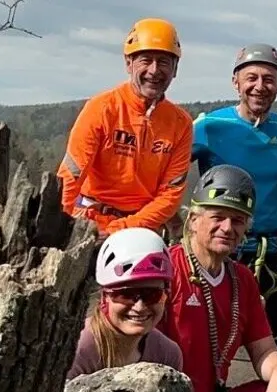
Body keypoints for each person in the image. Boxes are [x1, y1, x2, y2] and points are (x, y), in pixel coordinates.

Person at [191, 43, 277, 354]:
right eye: (251, 77)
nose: (259, 86)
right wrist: (177, 225)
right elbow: (167, 174)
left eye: (269, 79)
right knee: (202, 342)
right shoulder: (210, 127)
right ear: (235, 82)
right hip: (217, 247)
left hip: (271, 251)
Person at [158, 164, 277, 392]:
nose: (227, 228)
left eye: (237, 220)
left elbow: (264, 351)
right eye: (218, 217)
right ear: (194, 219)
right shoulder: (167, 269)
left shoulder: (243, 281)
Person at [58, 17, 194, 237]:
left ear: (175, 69)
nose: (154, 70)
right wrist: (64, 223)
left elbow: (170, 194)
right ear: (129, 63)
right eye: (146, 60)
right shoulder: (102, 108)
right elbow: (70, 175)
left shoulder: (181, 123)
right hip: (90, 223)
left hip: (143, 229)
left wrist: (121, 229)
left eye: (164, 62)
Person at [68, 228, 186, 379]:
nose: (140, 307)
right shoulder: (78, 351)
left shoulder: (168, 354)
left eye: (152, 295)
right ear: (105, 296)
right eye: (126, 295)